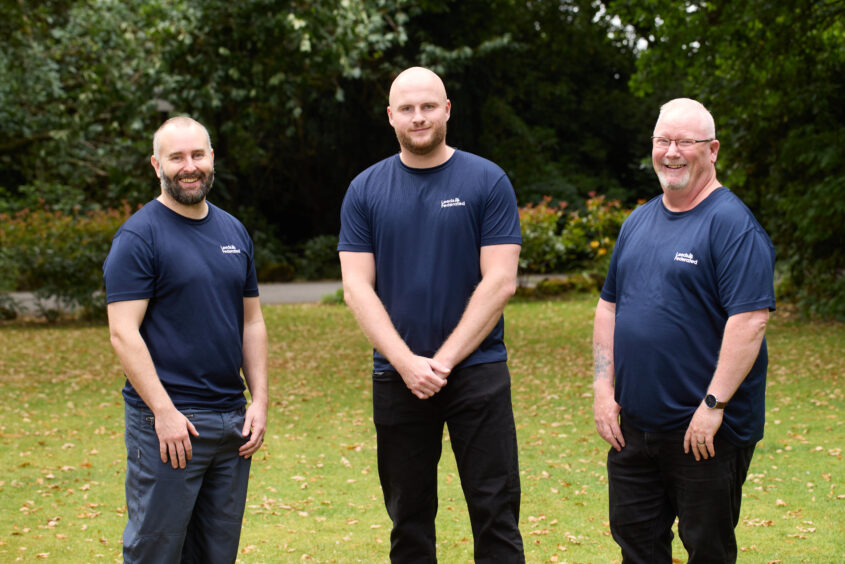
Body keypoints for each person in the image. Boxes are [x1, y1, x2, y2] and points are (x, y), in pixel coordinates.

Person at [338, 66, 525, 562]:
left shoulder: (487, 180)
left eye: (427, 106)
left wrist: (440, 362)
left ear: (446, 109)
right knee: (409, 518)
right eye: (406, 108)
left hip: (478, 372)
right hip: (397, 377)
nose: (417, 117)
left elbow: (500, 280)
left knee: (496, 512)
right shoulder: (364, 190)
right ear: (390, 117)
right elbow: (356, 288)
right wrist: (406, 363)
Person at [592, 98, 776, 563]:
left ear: (712, 150)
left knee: (707, 550)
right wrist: (601, 387)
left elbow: (750, 319)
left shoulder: (732, 225)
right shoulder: (639, 221)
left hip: (705, 432)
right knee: (637, 547)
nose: (671, 152)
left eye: (685, 142)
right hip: (634, 430)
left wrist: (714, 404)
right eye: (662, 140)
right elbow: (608, 307)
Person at [103, 116, 268, 563]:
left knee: (216, 553)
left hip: (231, 423)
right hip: (170, 427)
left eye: (197, 155)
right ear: (157, 164)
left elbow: (251, 322)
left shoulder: (234, 232)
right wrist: (164, 412)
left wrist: (259, 401)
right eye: (176, 157)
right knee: (155, 552)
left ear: (211, 159)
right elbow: (123, 332)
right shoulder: (139, 237)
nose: (188, 166)